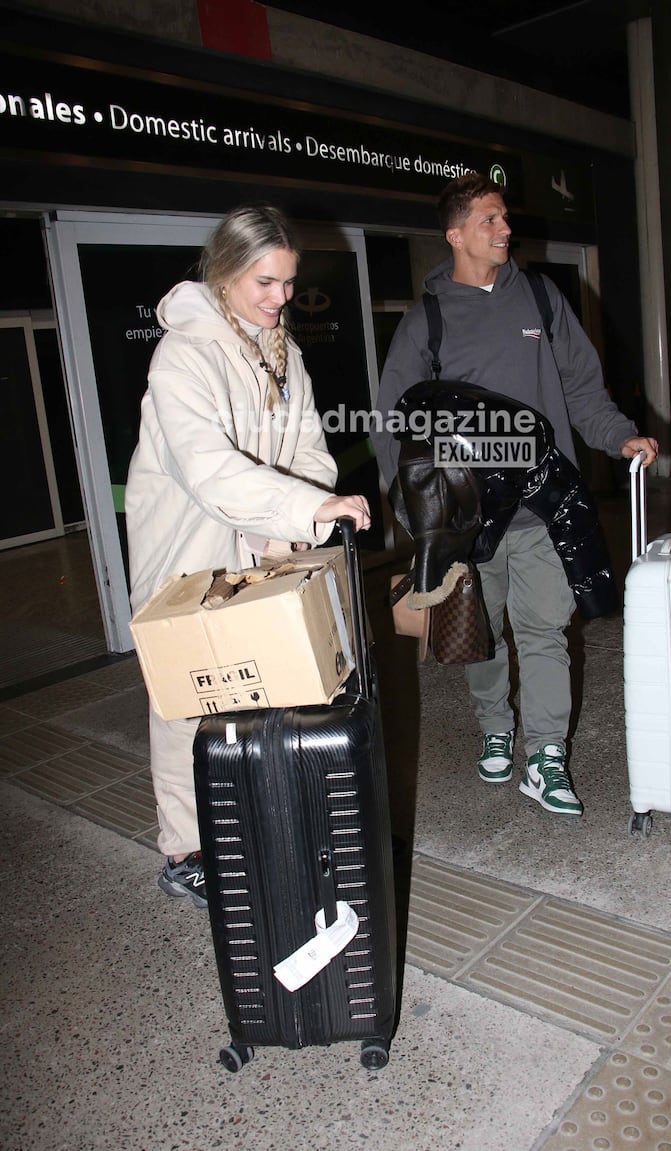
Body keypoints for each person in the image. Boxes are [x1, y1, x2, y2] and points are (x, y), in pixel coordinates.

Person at [371, 172, 657, 817]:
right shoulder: (428, 321)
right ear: (456, 235)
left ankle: (547, 755)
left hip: (540, 505)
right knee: (482, 630)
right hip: (466, 518)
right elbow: (396, 419)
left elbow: (583, 387)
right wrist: (417, 514)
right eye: (490, 221)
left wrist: (620, 439)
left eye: (504, 219)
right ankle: (496, 726)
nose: (504, 230)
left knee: (545, 629)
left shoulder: (540, 299)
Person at [125, 203, 370, 907]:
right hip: (187, 546)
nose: (279, 298)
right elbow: (206, 465)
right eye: (265, 282)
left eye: (289, 283)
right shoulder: (184, 354)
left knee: (258, 684)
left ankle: (251, 822)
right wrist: (300, 509)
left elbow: (307, 450)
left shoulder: (280, 348)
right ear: (225, 272)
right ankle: (183, 849)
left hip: (256, 539)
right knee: (184, 699)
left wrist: (299, 513)